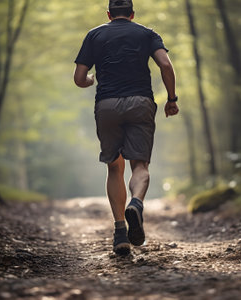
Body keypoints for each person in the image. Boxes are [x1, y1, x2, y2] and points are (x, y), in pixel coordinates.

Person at [74, 0, 178, 255]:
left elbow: (79, 78)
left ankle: (120, 232)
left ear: (109, 14)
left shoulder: (94, 35)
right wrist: (172, 99)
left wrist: (90, 81)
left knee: (114, 167)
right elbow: (165, 65)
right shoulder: (147, 33)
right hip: (140, 103)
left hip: (107, 105)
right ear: (132, 14)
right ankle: (136, 204)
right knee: (140, 166)